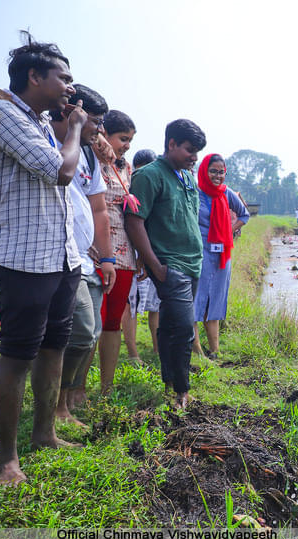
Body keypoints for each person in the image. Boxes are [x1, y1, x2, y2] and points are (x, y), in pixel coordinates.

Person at [0, 34, 90, 484]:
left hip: (62, 257)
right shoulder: (2, 113)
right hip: (24, 260)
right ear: (34, 77)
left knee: (54, 345)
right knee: (16, 355)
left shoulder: (34, 120)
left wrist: (60, 126)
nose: (70, 86)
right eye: (62, 77)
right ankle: (8, 459)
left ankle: (45, 433)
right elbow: (60, 170)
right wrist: (73, 129)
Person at [126, 119, 207, 410]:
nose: (194, 157)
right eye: (189, 150)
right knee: (185, 327)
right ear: (171, 144)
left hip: (193, 263)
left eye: (197, 151)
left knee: (173, 324)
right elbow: (135, 222)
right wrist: (155, 265)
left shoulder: (186, 176)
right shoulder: (149, 176)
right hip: (170, 265)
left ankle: (170, 381)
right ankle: (182, 390)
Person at [49, 85, 115, 426]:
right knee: (77, 331)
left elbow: (99, 209)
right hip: (56, 255)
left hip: (86, 260)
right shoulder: (46, 140)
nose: (100, 131)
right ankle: (56, 406)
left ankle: (69, 397)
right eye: (96, 122)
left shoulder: (89, 154)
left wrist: (107, 257)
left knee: (89, 332)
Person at [94, 110, 140, 395]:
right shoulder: (90, 161)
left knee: (113, 323)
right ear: (104, 134)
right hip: (95, 252)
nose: (125, 146)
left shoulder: (128, 169)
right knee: (89, 326)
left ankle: (106, 387)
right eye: (123, 139)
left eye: (130, 141)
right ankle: (75, 391)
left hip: (124, 255)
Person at [192, 154, 250, 358]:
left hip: (221, 255)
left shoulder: (227, 194)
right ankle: (196, 348)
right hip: (198, 253)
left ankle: (215, 349)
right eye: (213, 171)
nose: (217, 176)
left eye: (221, 172)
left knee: (216, 298)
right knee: (196, 297)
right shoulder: (194, 193)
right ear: (204, 171)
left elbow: (244, 215)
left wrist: (229, 231)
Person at [122, 149, 160, 361]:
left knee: (155, 303)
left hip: (152, 253)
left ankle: (156, 349)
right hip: (130, 251)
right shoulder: (128, 188)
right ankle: (132, 353)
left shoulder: (157, 189)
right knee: (131, 304)